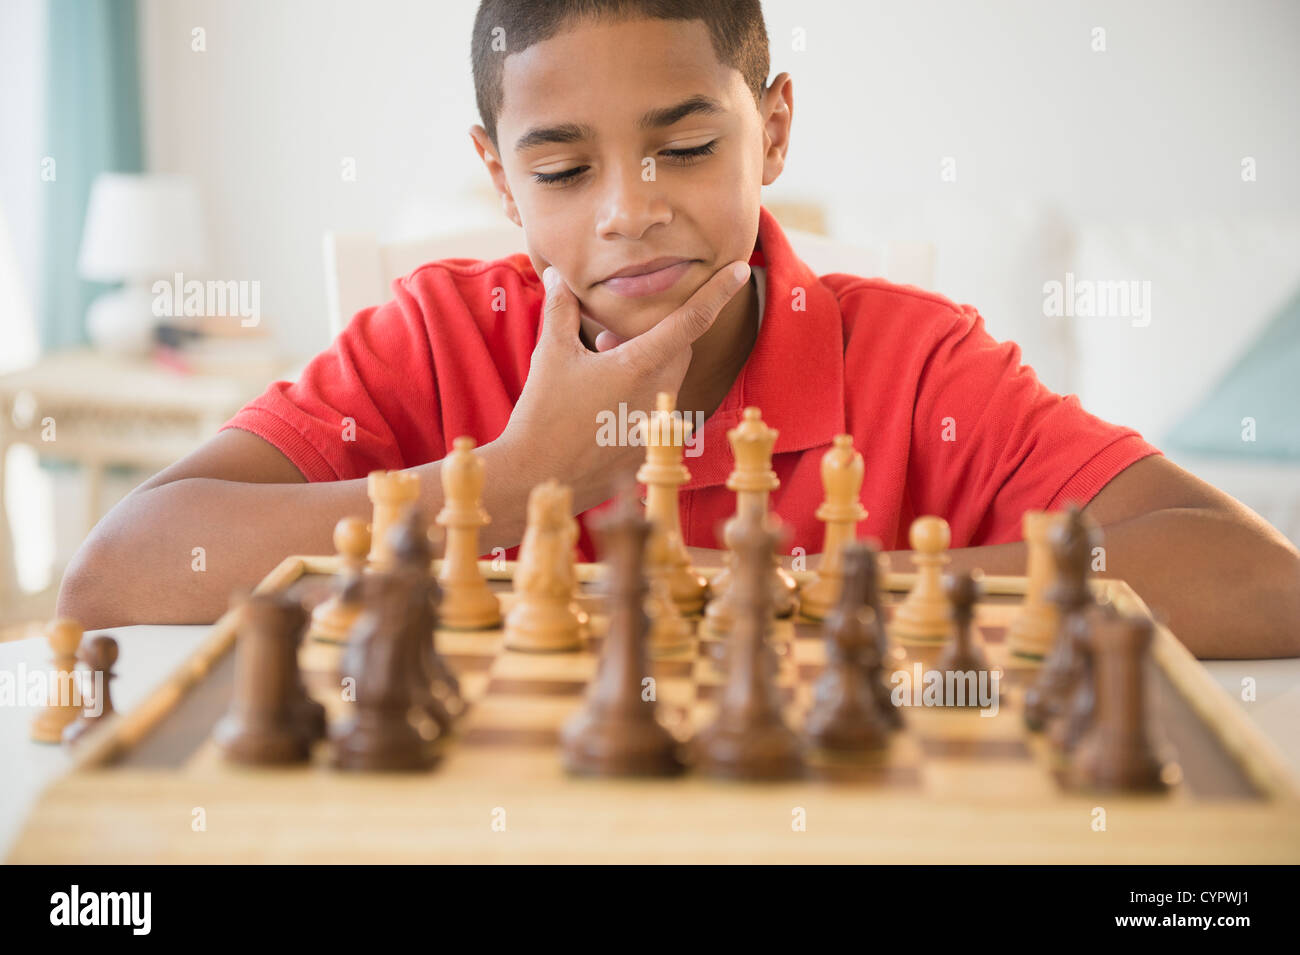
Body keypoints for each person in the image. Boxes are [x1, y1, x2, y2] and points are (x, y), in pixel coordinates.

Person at [57, 0, 1300, 657]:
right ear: (499, 182)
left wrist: (824, 595)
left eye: (688, 147)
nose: (630, 213)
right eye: (561, 170)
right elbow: (120, 569)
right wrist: (503, 486)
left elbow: (1255, 580)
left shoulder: (919, 362)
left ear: (778, 128)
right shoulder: (434, 337)